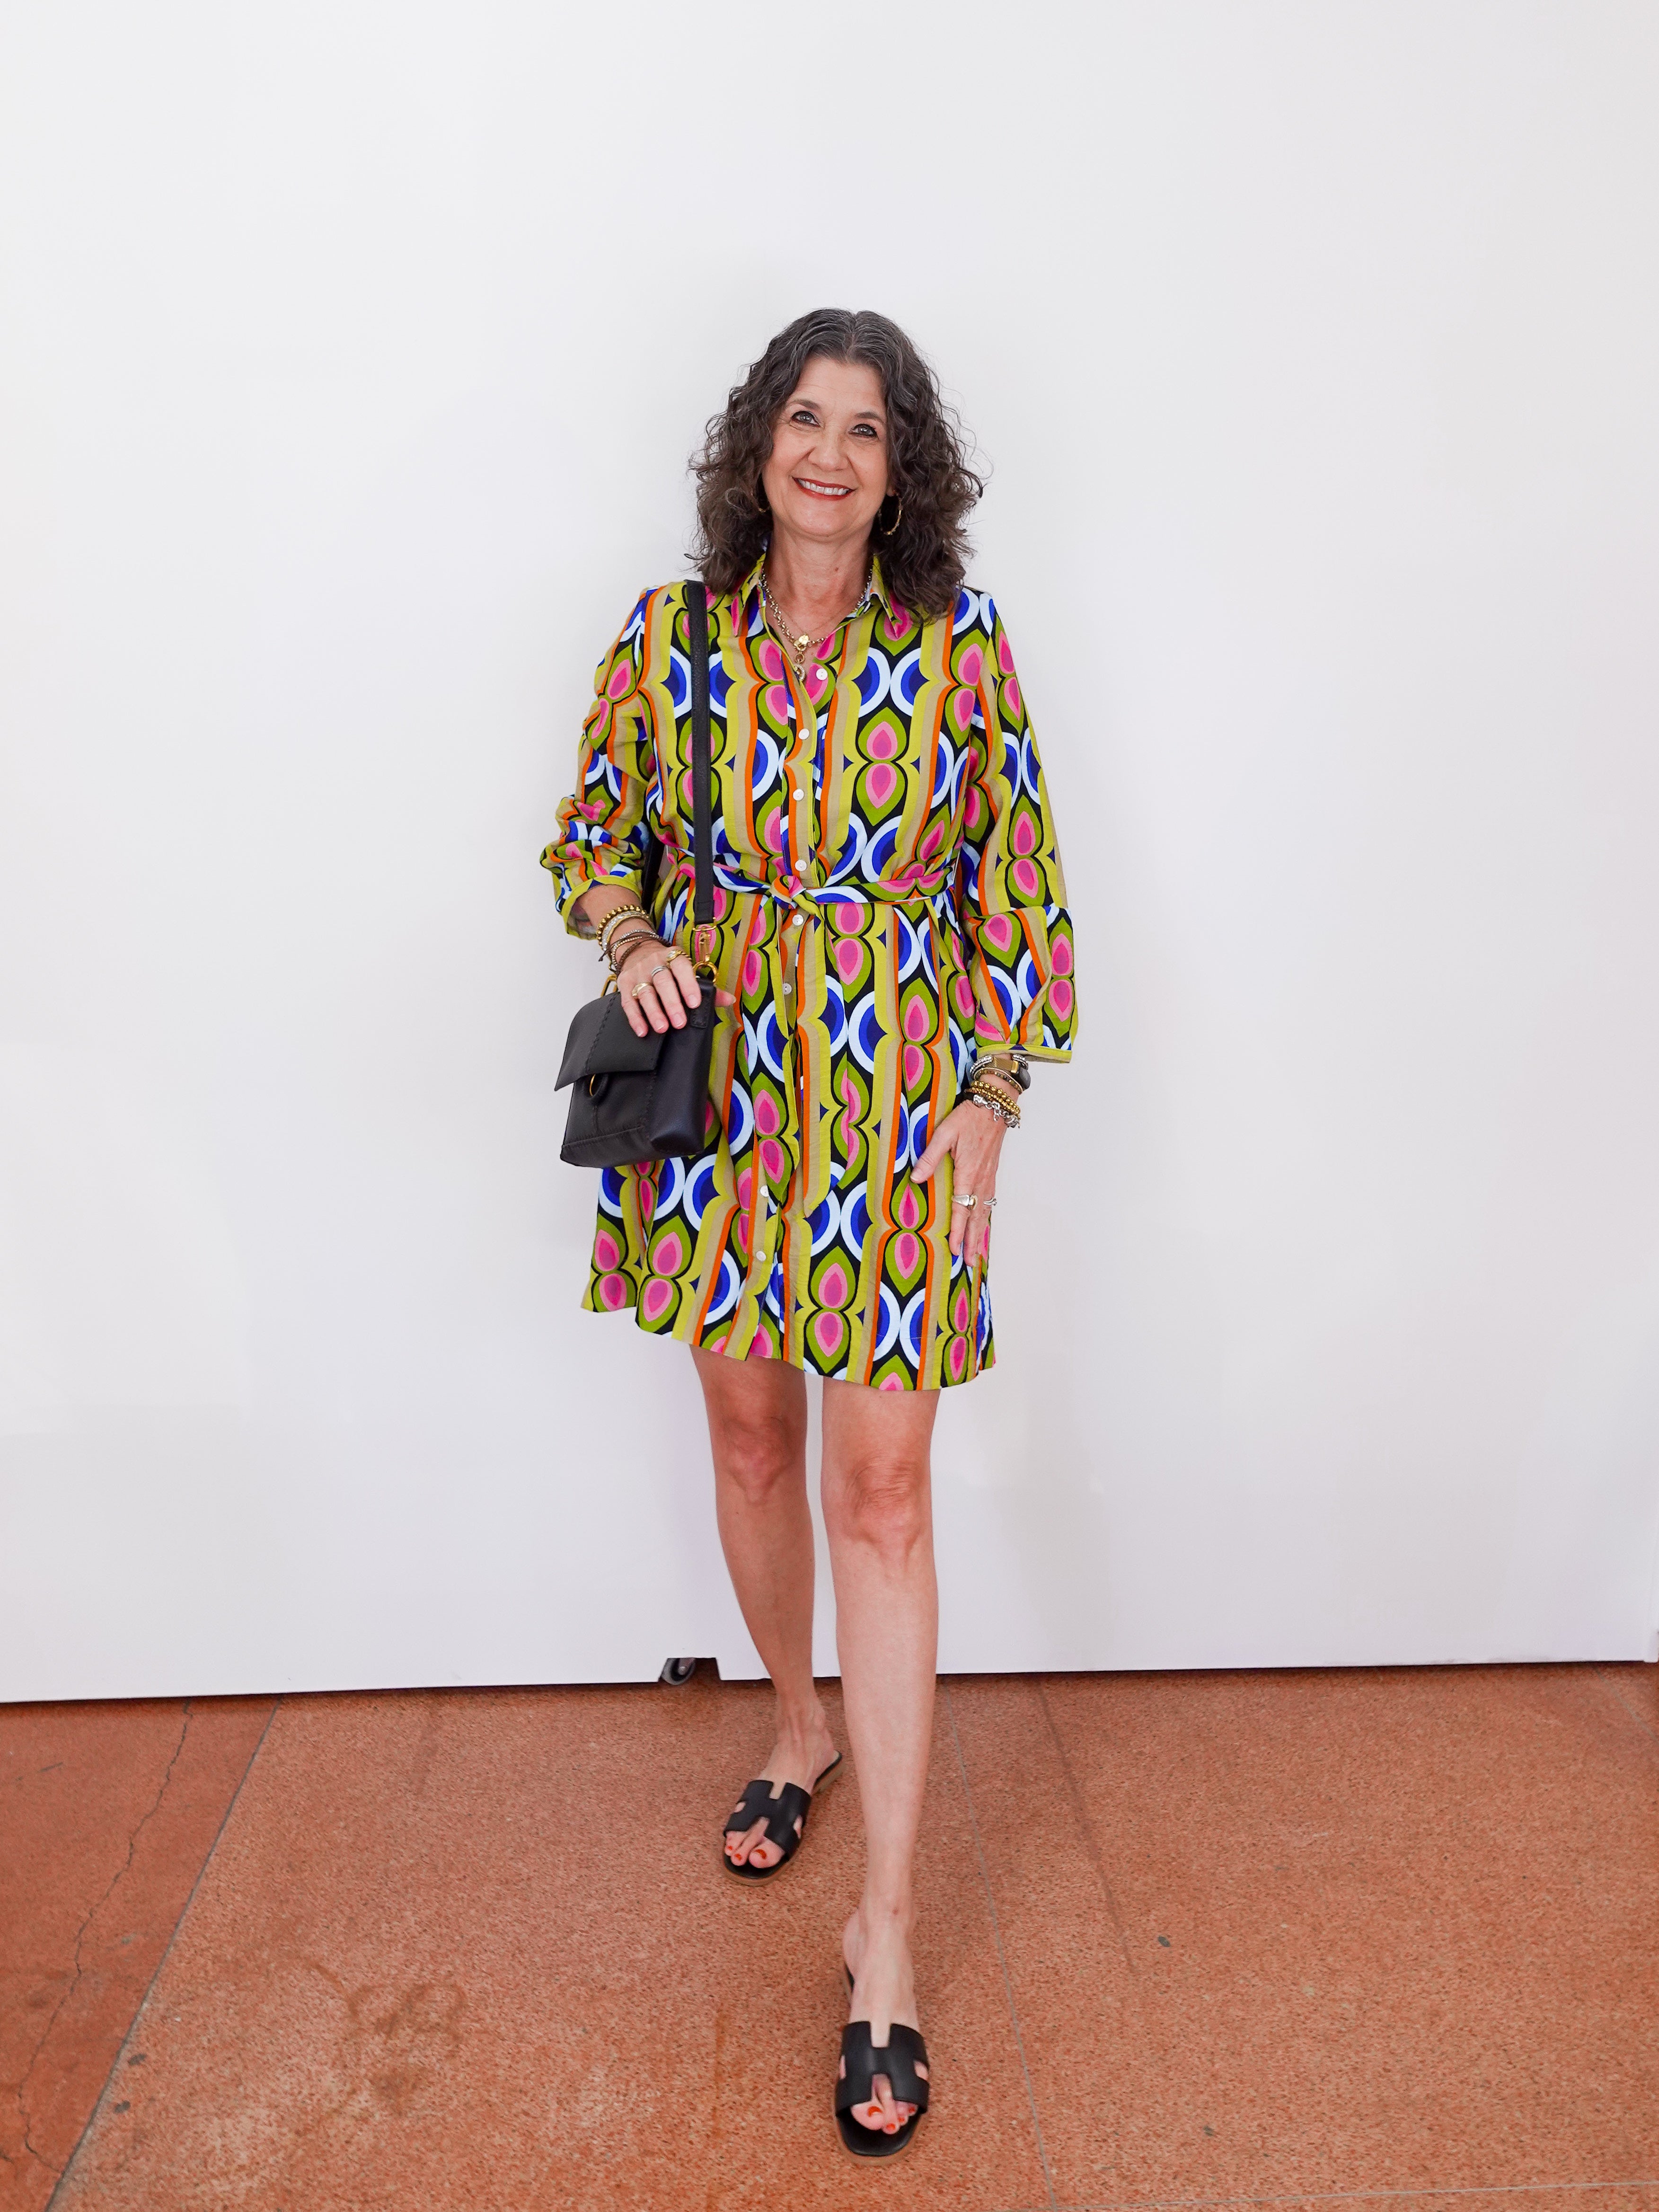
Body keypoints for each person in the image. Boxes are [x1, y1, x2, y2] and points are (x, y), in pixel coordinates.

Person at [541, 308, 1077, 2159]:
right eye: (802, 417)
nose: (830, 452)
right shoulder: (670, 642)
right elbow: (587, 832)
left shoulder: (962, 653)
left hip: (893, 1099)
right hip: (720, 1097)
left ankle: (887, 1934)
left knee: (886, 1488)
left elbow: (1019, 880)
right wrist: (630, 934)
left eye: (864, 425)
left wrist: (991, 1095)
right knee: (752, 1436)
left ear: (899, 463)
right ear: (754, 448)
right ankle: (797, 1719)